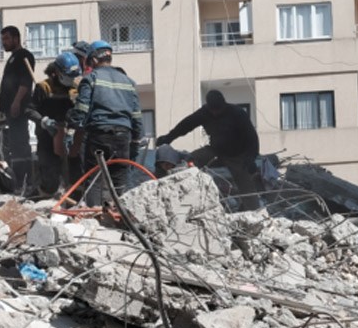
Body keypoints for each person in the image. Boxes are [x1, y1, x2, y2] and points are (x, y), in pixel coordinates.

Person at [157, 90, 263, 210]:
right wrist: (169, 137)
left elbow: (252, 138)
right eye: (213, 110)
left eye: (218, 110)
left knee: (245, 184)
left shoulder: (237, 113)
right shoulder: (205, 113)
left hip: (237, 155)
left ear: (223, 104)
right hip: (215, 151)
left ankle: (255, 211)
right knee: (190, 160)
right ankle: (178, 191)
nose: (216, 113)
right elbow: (186, 125)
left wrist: (250, 157)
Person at [68, 40, 143, 206]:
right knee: (119, 182)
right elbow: (137, 116)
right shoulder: (128, 82)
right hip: (123, 137)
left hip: (99, 135)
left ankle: (94, 217)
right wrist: (135, 144)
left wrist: (70, 124)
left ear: (93, 60)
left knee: (94, 180)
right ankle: (118, 215)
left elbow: (81, 110)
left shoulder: (91, 79)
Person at [25, 52, 82, 196]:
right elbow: (29, 110)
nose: (71, 80)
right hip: (47, 136)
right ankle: (44, 193)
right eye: (68, 76)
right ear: (56, 72)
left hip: (70, 136)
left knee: (75, 174)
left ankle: (75, 197)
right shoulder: (43, 88)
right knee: (50, 175)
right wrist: (43, 121)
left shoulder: (75, 89)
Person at [0, 25, 37, 195]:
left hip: (19, 109)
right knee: (13, 145)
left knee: (21, 145)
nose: (4, 43)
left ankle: (24, 181)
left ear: (16, 38)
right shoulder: (12, 58)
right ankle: (19, 181)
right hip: (10, 110)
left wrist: (16, 102)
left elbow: (25, 82)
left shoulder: (24, 56)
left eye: (7, 39)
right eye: (3, 39)